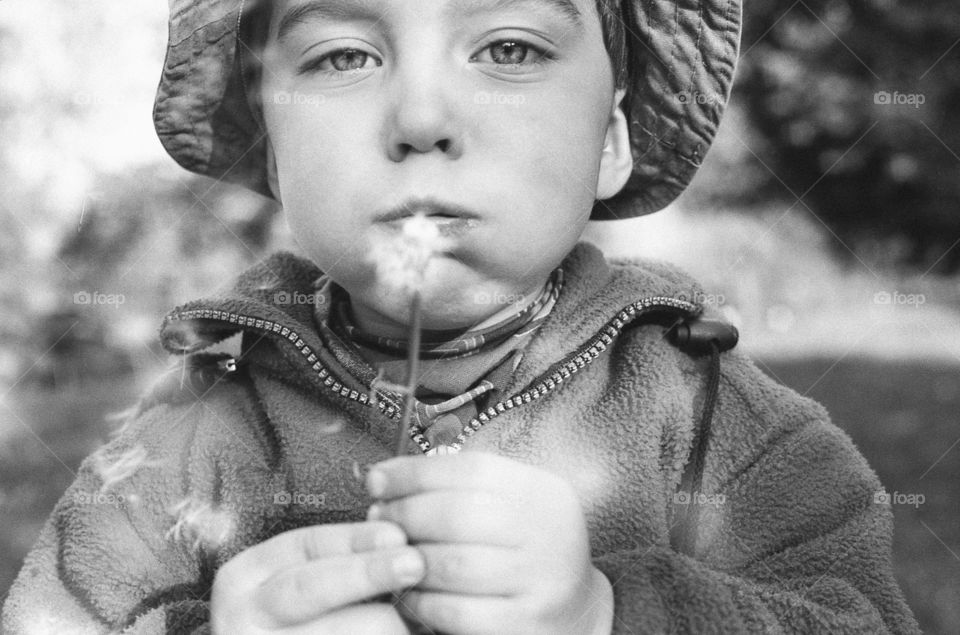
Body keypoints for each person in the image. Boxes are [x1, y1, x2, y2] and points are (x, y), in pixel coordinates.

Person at [2, 0, 920, 633]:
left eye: (510, 47)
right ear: (274, 154)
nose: (422, 114)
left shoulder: (722, 427)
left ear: (610, 139)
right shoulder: (184, 440)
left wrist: (611, 612)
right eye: (343, 56)